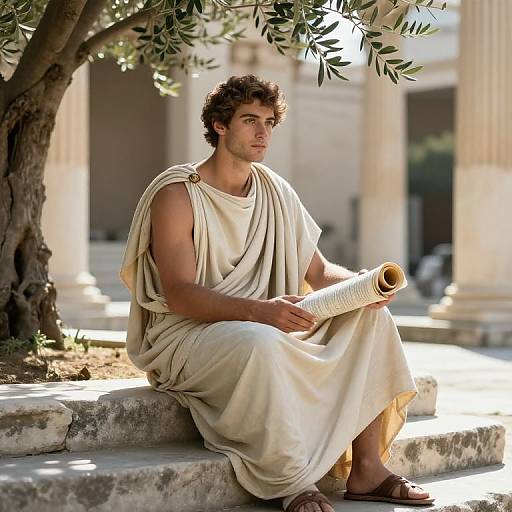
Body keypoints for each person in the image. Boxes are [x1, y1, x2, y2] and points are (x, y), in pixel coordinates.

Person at [120, 75, 434, 512]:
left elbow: (320, 272)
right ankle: (291, 481)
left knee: (372, 316)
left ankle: (367, 469)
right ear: (220, 125)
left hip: (262, 320)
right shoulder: (178, 195)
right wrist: (260, 312)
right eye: (250, 120)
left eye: (269, 121)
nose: (263, 132)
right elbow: (180, 295)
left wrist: (361, 288)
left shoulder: (275, 191)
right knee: (262, 341)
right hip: (189, 335)